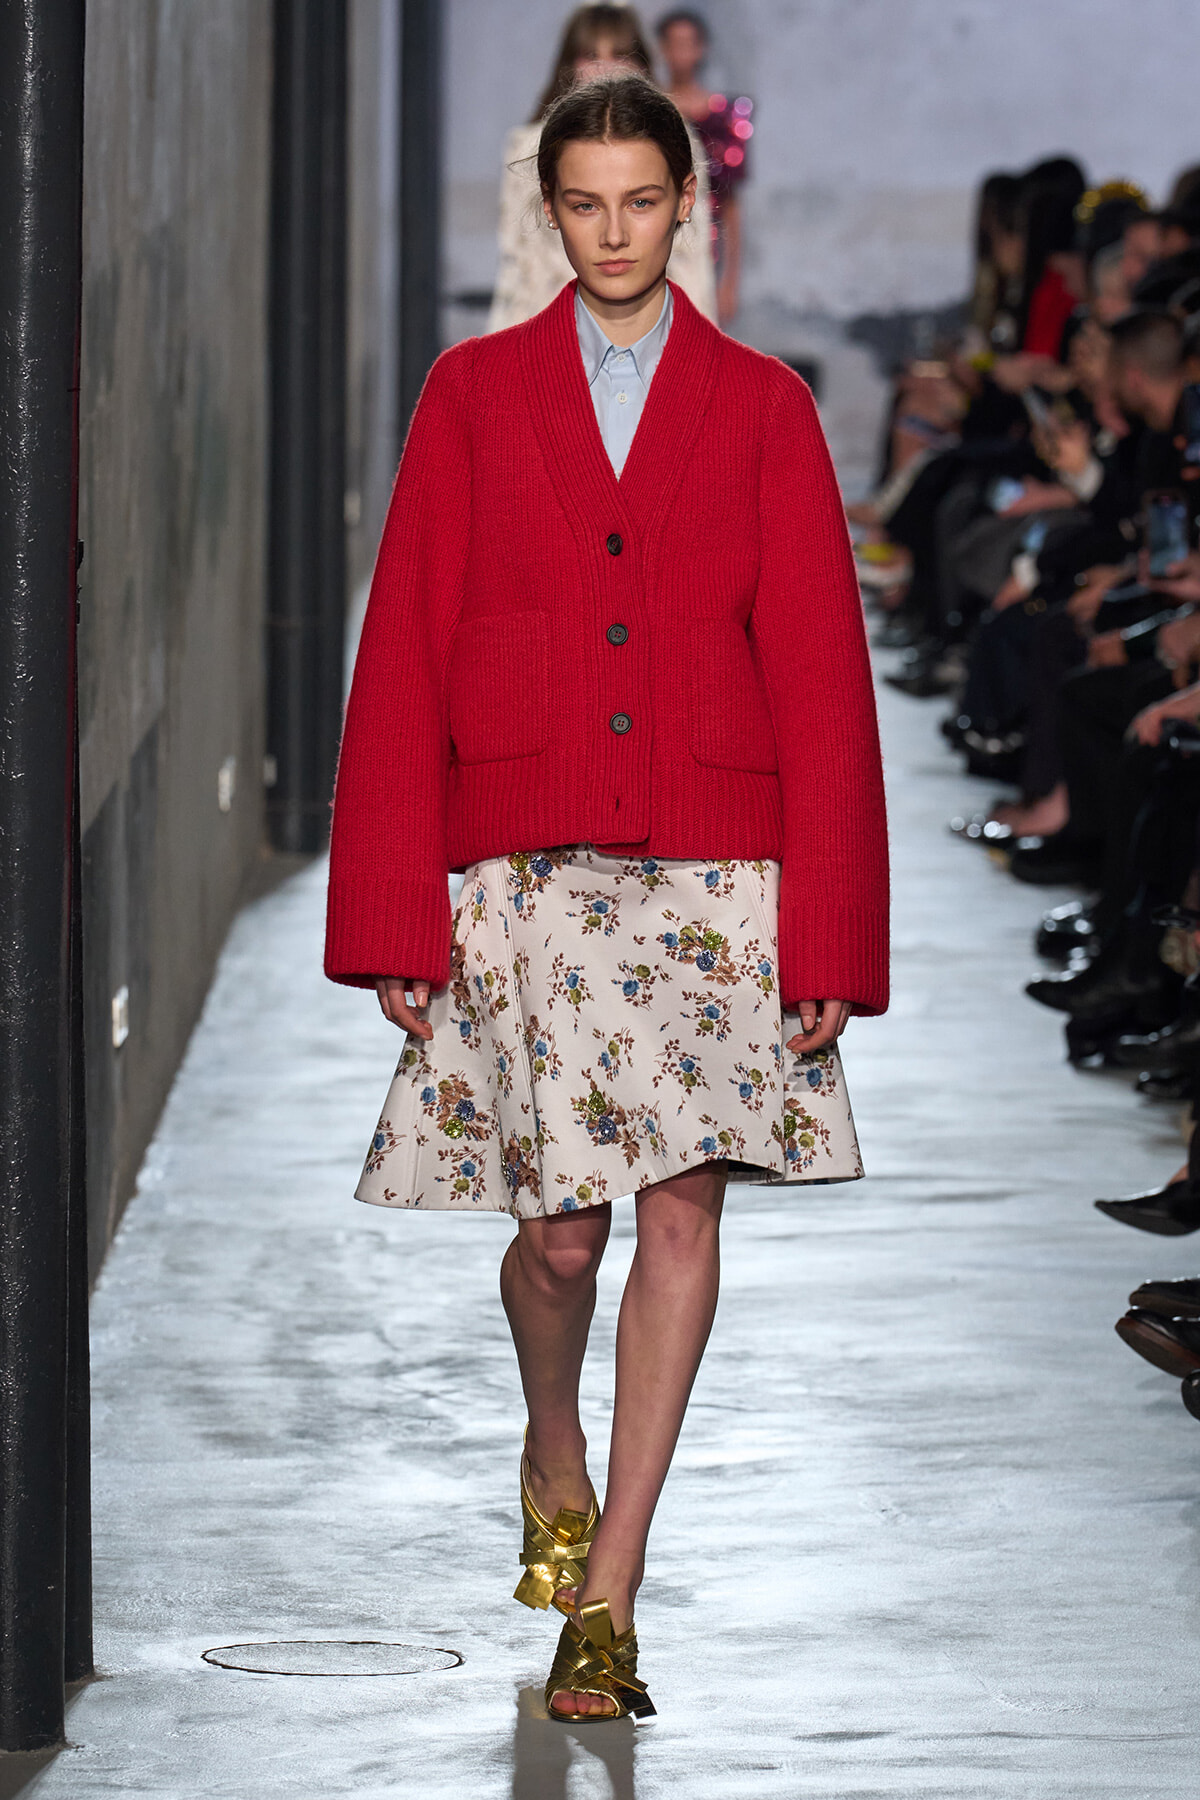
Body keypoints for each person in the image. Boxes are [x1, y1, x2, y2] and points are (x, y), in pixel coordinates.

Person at [325, 73, 889, 1721]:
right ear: (552, 213)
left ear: (683, 210)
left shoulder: (765, 407)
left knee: (680, 1213)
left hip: (718, 877)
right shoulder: (476, 396)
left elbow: (824, 686)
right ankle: (552, 1440)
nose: (620, 229)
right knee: (558, 1240)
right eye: (590, 203)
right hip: (526, 872)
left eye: (647, 200)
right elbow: (405, 645)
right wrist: (389, 916)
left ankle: (613, 1595)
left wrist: (832, 935)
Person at [488, 3, 716, 330]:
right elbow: (516, 261)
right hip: (550, 325)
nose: (605, 67)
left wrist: (703, 344)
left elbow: (693, 257)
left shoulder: (680, 142)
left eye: (620, 54)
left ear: (642, 65)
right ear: (569, 64)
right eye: (590, 55)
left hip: (653, 329)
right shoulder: (528, 148)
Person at [656, 8, 751, 324]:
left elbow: (731, 203)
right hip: (650, 243)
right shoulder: (647, 110)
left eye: (688, 44)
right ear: (663, 48)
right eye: (673, 43)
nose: (681, 53)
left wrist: (730, 281)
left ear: (702, 49)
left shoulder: (722, 117)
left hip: (701, 252)